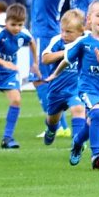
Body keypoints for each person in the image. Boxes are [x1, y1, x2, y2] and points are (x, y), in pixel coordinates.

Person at [47, 0, 99, 170]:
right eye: (98, 15)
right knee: (96, 114)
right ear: (89, 19)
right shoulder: (83, 42)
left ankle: (77, 143)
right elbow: (67, 60)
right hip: (87, 86)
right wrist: (54, 74)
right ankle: (96, 153)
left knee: (92, 122)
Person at [13, 0, 65, 135]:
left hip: (43, 31)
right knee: (50, 78)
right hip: (50, 29)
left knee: (38, 77)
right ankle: (63, 126)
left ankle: (57, 125)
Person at [0, 3, 38, 148]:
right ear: (6, 22)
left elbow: (32, 42)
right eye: (13, 24)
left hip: (8, 74)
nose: (17, 28)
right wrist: (5, 63)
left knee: (16, 100)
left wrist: (35, 63)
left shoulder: (24, 32)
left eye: (20, 24)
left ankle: (7, 138)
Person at [40, 9, 87, 146]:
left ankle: (77, 144)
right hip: (57, 89)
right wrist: (66, 52)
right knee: (53, 120)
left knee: (78, 109)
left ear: (81, 31)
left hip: (76, 88)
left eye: (69, 32)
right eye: (63, 31)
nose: (64, 35)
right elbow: (45, 58)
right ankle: (51, 129)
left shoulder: (86, 42)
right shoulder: (57, 41)